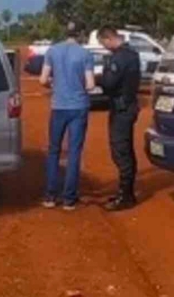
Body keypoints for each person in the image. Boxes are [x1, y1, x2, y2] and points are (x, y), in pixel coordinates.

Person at [39, 22, 96, 210]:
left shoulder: (52, 51)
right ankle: (69, 198)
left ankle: (50, 196)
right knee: (74, 152)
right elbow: (89, 84)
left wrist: (54, 86)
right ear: (80, 35)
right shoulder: (85, 54)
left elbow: (42, 80)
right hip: (78, 106)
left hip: (59, 105)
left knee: (54, 150)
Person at [96, 27, 142, 211]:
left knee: (121, 151)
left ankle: (126, 196)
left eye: (103, 43)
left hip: (122, 108)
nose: (104, 47)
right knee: (125, 150)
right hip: (127, 106)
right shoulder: (131, 54)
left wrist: (96, 78)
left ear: (108, 39)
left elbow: (109, 83)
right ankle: (126, 192)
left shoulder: (119, 58)